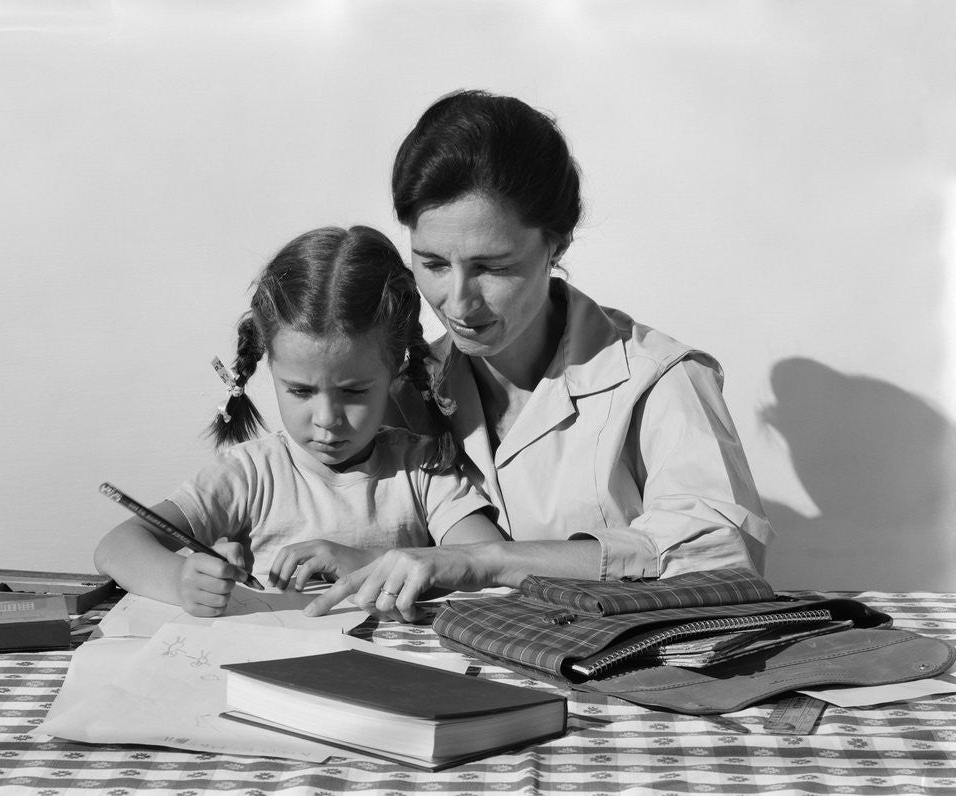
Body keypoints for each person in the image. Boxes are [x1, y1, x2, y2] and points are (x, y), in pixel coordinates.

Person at [292, 89, 774, 622]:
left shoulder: (659, 379)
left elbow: (724, 557)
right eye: (432, 264)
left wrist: (485, 561)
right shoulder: (399, 392)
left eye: (493, 267)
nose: (458, 302)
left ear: (557, 244)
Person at [93, 225, 504, 616]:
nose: (327, 419)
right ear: (270, 366)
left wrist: (370, 562)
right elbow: (117, 546)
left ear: (396, 367)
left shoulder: (422, 468)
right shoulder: (250, 475)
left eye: (353, 392)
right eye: (301, 391)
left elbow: (486, 563)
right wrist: (183, 581)